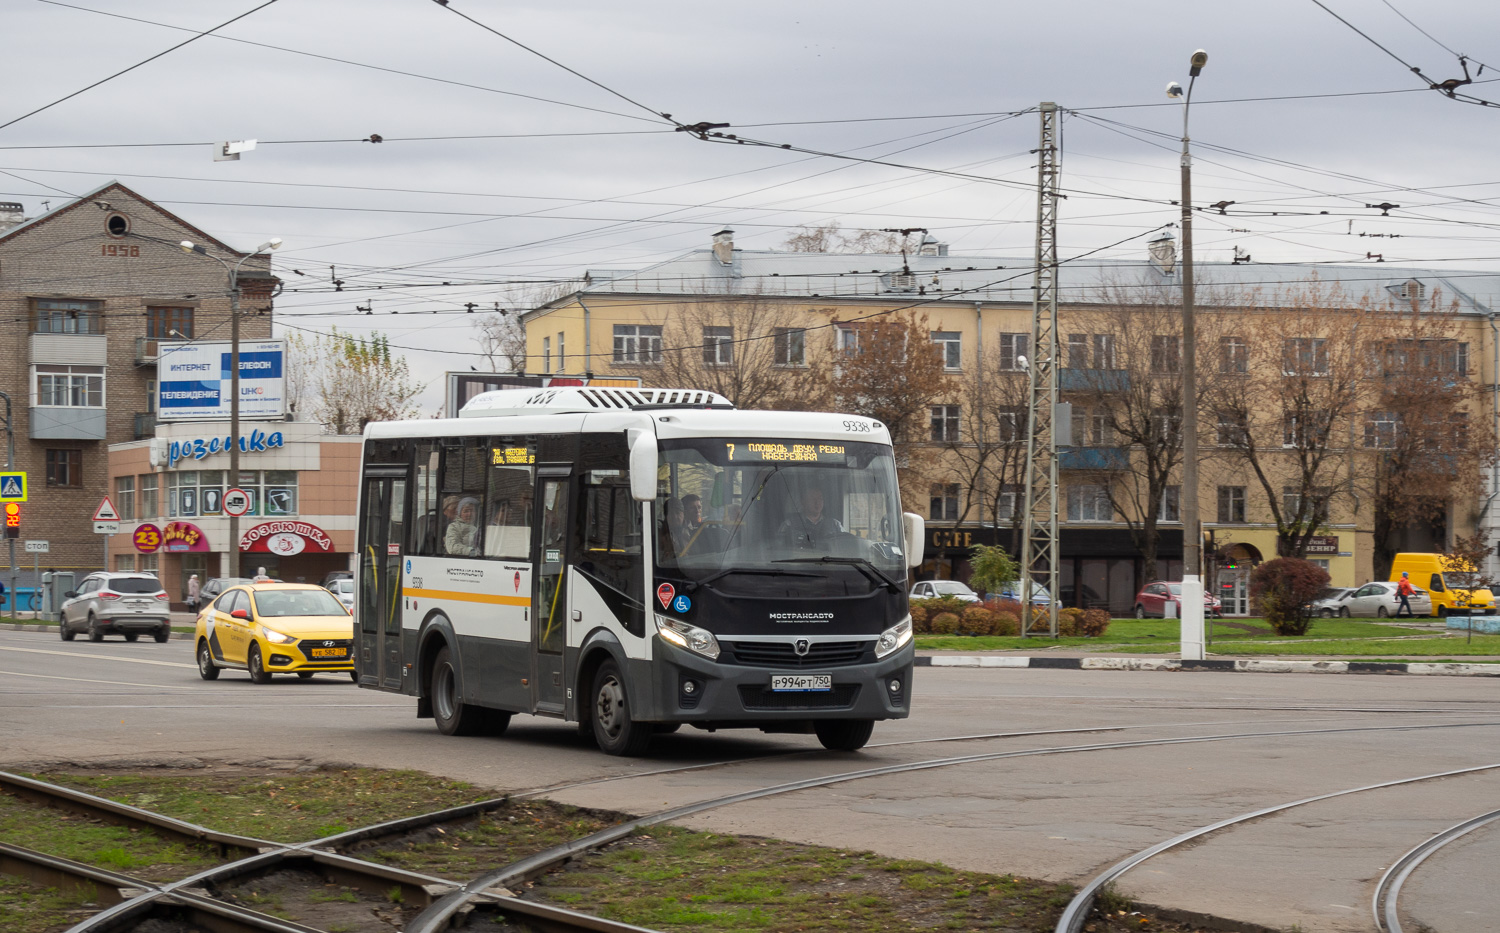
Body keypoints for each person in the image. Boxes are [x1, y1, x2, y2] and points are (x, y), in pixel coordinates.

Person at [780, 486, 844, 549]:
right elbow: (779, 549)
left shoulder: (835, 524)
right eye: (812, 499)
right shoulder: (789, 524)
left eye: (820, 499)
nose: (817, 502)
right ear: (803, 502)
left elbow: (845, 546)